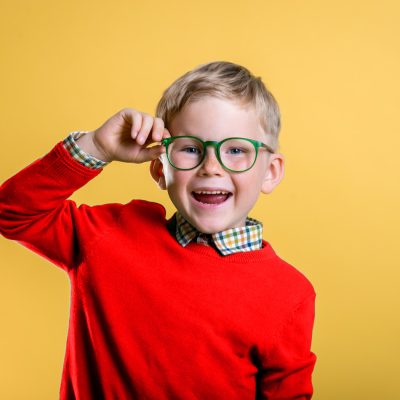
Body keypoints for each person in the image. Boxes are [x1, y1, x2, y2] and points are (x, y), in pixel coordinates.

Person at [0, 61, 317, 399]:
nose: (211, 168)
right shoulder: (106, 236)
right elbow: (13, 213)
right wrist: (97, 147)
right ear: (159, 169)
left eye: (236, 150)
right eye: (191, 149)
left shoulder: (290, 294)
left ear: (270, 172)